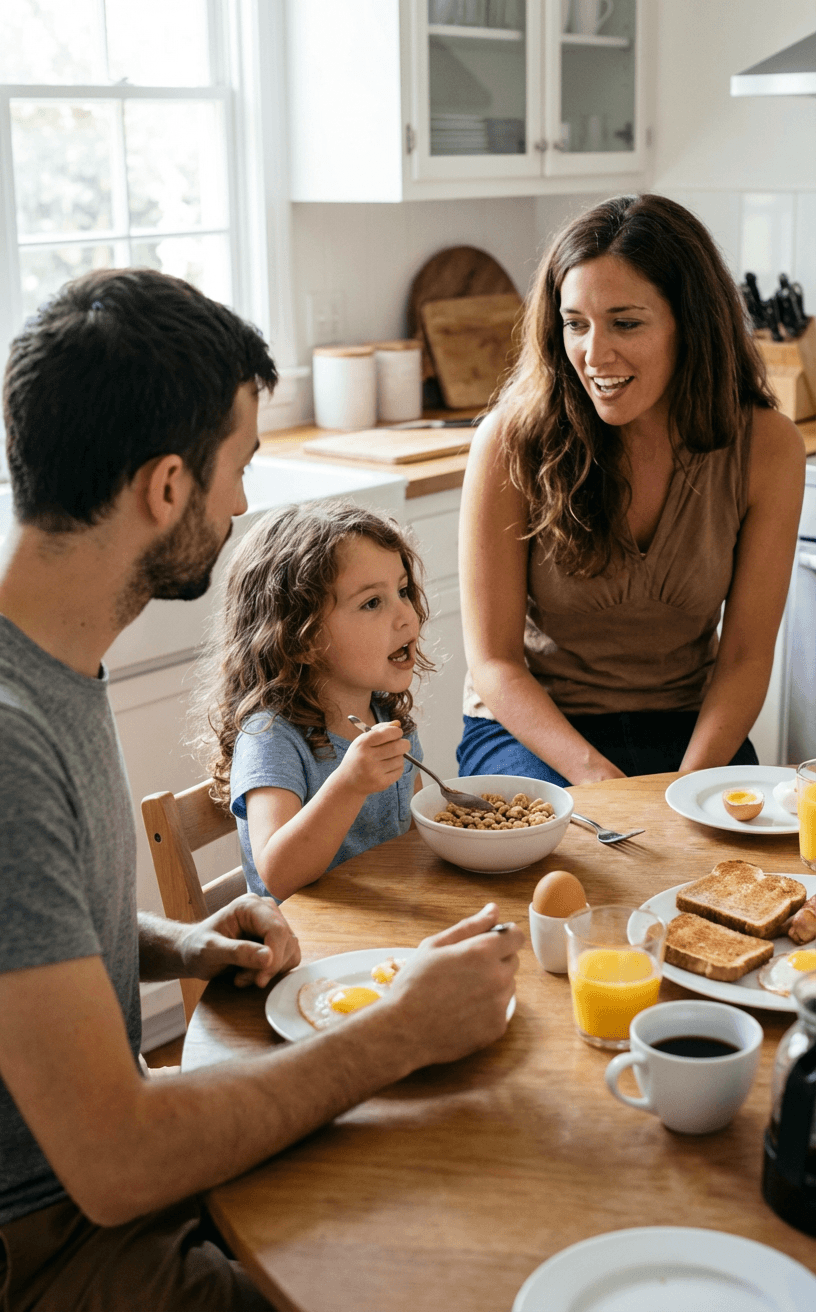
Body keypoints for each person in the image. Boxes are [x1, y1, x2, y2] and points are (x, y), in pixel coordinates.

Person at [0, 268, 523, 1312]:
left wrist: (176, 941)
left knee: (441, 1194)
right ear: (164, 487)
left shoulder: (54, 667)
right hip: (54, 1239)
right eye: (238, 465)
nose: (241, 501)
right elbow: (114, 1162)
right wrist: (398, 1032)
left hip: (106, 1178)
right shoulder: (11, 743)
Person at [457, 193, 805, 787]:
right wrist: (598, 781)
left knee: (729, 874)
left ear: (689, 324)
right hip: (534, 727)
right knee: (577, 863)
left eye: (626, 323)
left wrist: (684, 787)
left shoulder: (767, 448)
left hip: (690, 726)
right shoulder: (510, 442)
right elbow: (494, 664)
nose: (594, 355)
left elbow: (746, 658)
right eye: (575, 324)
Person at [198, 503, 432, 903]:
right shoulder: (271, 738)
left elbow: (412, 846)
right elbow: (279, 875)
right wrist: (348, 784)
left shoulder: (388, 719)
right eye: (372, 603)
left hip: (386, 928)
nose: (407, 616)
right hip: (308, 949)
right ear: (301, 640)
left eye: (403, 590)